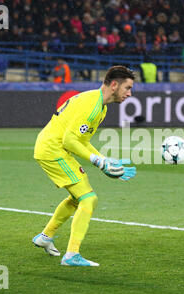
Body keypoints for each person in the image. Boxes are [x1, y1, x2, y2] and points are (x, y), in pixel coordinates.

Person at [32, 66, 137, 267]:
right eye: (127, 87)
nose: (130, 93)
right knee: (89, 199)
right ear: (114, 85)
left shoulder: (100, 106)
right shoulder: (92, 105)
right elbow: (70, 141)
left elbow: (82, 140)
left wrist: (103, 159)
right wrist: (98, 161)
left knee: (76, 197)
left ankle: (46, 236)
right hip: (53, 150)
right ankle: (71, 255)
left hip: (52, 147)